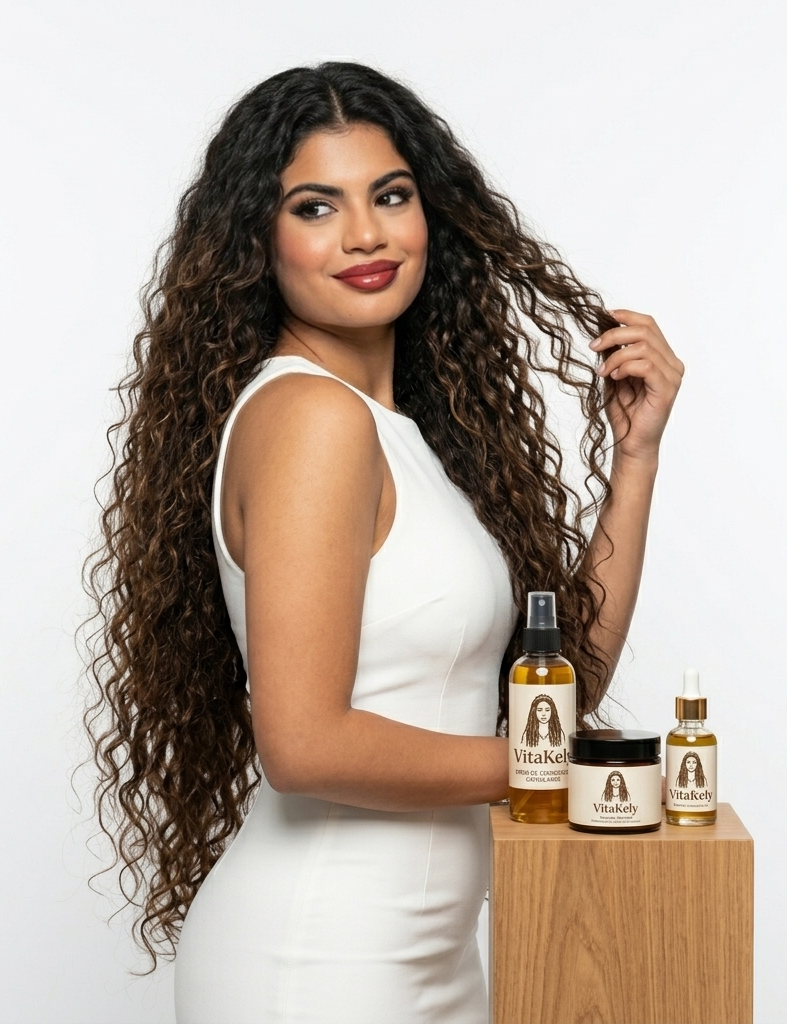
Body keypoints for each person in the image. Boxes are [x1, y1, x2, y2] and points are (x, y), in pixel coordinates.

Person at [85, 62, 683, 1023]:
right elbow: (306, 745)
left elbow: (556, 693)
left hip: (423, 960)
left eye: (391, 195)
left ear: (430, 216)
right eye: (316, 207)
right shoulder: (313, 420)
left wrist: (638, 458)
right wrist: (563, 764)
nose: (365, 234)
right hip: (318, 963)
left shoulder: (400, 434)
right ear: (256, 241)